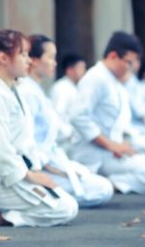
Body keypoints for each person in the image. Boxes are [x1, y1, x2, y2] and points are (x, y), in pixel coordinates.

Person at [0, 25, 78, 227]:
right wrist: (29, 175)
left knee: (67, 203)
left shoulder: (12, 90)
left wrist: (33, 171)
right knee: (64, 208)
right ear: (3, 58)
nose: (28, 60)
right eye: (23, 54)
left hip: (12, 172)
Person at [18, 35, 113, 207]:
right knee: (100, 189)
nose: (55, 63)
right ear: (33, 60)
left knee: (101, 186)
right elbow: (28, 141)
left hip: (53, 157)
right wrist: (45, 169)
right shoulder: (27, 92)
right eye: (50, 57)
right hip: (38, 165)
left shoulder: (36, 90)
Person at [69, 32, 145, 194]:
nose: (131, 68)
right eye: (128, 62)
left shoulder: (113, 80)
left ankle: (103, 184)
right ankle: (101, 184)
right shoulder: (96, 78)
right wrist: (111, 145)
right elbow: (77, 116)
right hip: (94, 153)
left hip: (110, 151)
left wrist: (120, 144)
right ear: (113, 56)